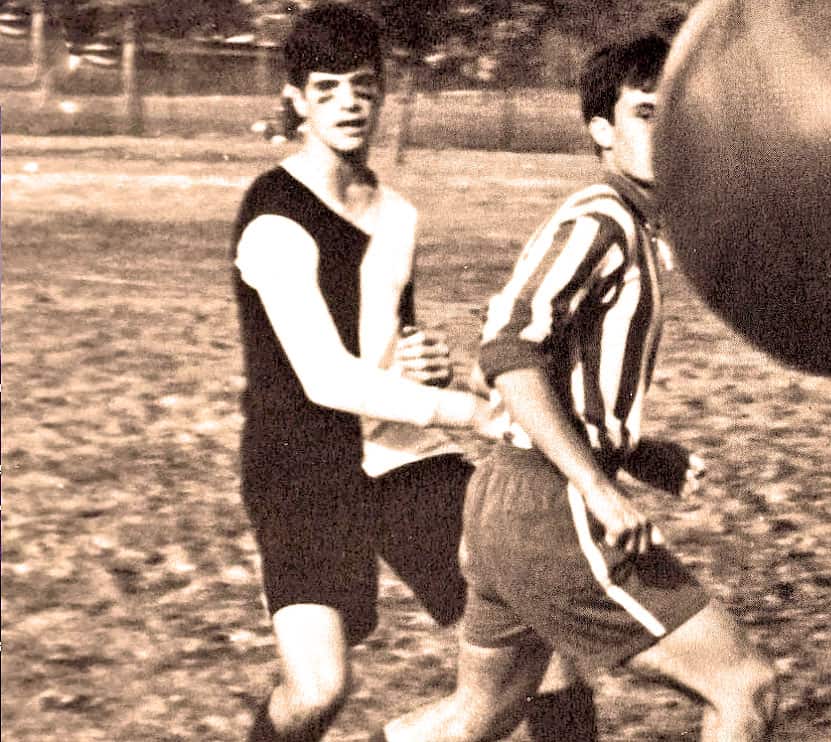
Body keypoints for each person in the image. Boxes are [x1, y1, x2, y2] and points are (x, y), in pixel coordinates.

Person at [378, 34, 778, 742]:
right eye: (646, 114)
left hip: (507, 499)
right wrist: (597, 484)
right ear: (601, 129)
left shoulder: (633, 227)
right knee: (744, 687)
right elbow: (503, 353)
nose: (669, 131)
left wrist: (637, 451)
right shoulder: (601, 222)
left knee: (480, 716)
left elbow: (507, 370)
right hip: (547, 509)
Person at [232, 6, 597, 740]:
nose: (347, 104)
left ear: (381, 92)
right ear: (297, 98)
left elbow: (383, 339)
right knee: (318, 691)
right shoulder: (274, 218)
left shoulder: (397, 214)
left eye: (361, 86)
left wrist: (431, 364)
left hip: (401, 455)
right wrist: (470, 413)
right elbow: (327, 379)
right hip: (302, 465)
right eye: (326, 88)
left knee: (544, 645)